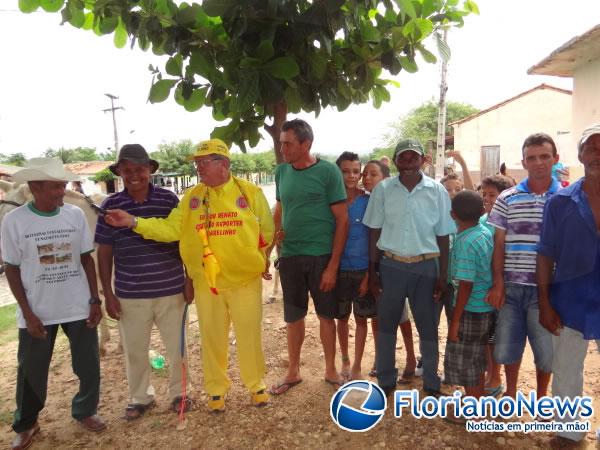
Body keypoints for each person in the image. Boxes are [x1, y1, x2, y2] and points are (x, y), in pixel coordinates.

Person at [105, 139, 274, 412]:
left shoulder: (250, 192)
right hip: (207, 283)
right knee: (211, 337)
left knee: (249, 335)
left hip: (244, 281)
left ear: (224, 164)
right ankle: (216, 390)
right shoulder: (192, 198)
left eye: (204, 163)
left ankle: (256, 386)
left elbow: (266, 230)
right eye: (197, 164)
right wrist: (134, 222)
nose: (199, 169)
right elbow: (171, 229)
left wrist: (259, 260)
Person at [1, 158, 106, 450]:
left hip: (77, 305)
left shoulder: (74, 215)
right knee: (30, 370)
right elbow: (11, 267)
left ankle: (85, 410)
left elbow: (86, 258)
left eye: (62, 186)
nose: (62, 192)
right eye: (55, 187)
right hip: (37, 309)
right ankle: (26, 423)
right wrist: (27, 311)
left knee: (88, 365)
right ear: (35, 187)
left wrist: (94, 299)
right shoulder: (14, 221)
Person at [94, 144, 192, 420]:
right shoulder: (110, 204)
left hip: (171, 289)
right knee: (135, 351)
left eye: (139, 169)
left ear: (149, 170)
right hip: (130, 293)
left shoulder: (168, 200)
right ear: (120, 172)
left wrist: (189, 279)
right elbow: (104, 250)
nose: (133, 175)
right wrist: (109, 294)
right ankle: (140, 398)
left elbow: (184, 240)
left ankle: (180, 393)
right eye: (127, 170)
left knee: (178, 348)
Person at [363, 139, 455, 397]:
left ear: (423, 160)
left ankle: (431, 383)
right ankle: (386, 380)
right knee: (387, 326)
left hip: (426, 267)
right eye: (402, 158)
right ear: (395, 162)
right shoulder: (383, 190)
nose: (408, 163)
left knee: (427, 327)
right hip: (390, 265)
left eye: (413, 158)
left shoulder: (436, 191)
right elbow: (374, 232)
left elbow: (444, 235)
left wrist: (442, 275)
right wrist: (373, 272)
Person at [270, 119, 348, 394]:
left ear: (306, 144)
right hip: (290, 255)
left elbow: (342, 220)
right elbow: (279, 211)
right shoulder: (281, 173)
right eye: (281, 142)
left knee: (326, 316)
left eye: (288, 143)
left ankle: (330, 369)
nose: (282, 149)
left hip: (321, 257)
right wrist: (269, 245)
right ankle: (293, 371)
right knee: (293, 317)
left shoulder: (327, 172)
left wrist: (333, 266)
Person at [537, 123, 600, 445]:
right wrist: (545, 304)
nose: (598, 154)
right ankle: (568, 431)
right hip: (570, 298)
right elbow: (546, 255)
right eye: (592, 147)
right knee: (567, 369)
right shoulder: (560, 202)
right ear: (580, 155)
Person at [486, 133, 560, 399]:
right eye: (532, 158)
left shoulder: (564, 198)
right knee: (508, 347)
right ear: (523, 162)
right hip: (512, 288)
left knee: (545, 352)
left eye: (544, 156)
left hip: (547, 291)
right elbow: (499, 244)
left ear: (555, 159)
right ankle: (511, 393)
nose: (538, 162)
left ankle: (542, 398)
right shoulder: (508, 198)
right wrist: (498, 283)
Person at [362, 160, 417, 382]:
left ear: (386, 179)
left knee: (401, 316)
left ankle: (411, 357)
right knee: (377, 315)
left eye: (373, 174)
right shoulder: (363, 200)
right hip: (373, 266)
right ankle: (382, 359)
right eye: (365, 174)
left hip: (394, 265)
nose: (367, 178)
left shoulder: (395, 201)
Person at [444, 190, 494, 423]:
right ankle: (476, 401)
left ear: (453, 214)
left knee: (467, 362)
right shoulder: (483, 231)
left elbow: (465, 285)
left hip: (470, 310)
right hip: (483, 308)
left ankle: (475, 411)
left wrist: (455, 322)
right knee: (475, 357)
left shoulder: (465, 242)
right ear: (482, 211)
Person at [333, 152, 375, 380]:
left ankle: (358, 364)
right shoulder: (332, 201)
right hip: (338, 270)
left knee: (361, 320)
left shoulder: (368, 201)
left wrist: (369, 274)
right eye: (346, 171)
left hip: (362, 270)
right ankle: (345, 360)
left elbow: (373, 239)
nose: (351, 176)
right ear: (338, 172)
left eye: (356, 171)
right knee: (341, 318)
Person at [479, 174, 515, 397]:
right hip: (484, 287)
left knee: (498, 335)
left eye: (492, 195)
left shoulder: (509, 222)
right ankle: (489, 373)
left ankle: (495, 376)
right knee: (486, 334)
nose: (487, 199)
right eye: (484, 195)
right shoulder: (483, 220)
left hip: (501, 286)